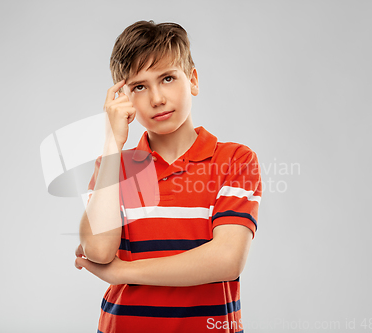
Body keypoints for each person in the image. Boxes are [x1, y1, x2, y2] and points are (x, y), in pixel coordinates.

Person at [75, 20, 262, 333]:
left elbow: (227, 259)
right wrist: (112, 143)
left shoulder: (234, 160)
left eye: (167, 78)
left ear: (193, 81)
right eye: (139, 86)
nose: (157, 98)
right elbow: (97, 250)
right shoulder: (114, 167)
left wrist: (122, 272)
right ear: (124, 99)